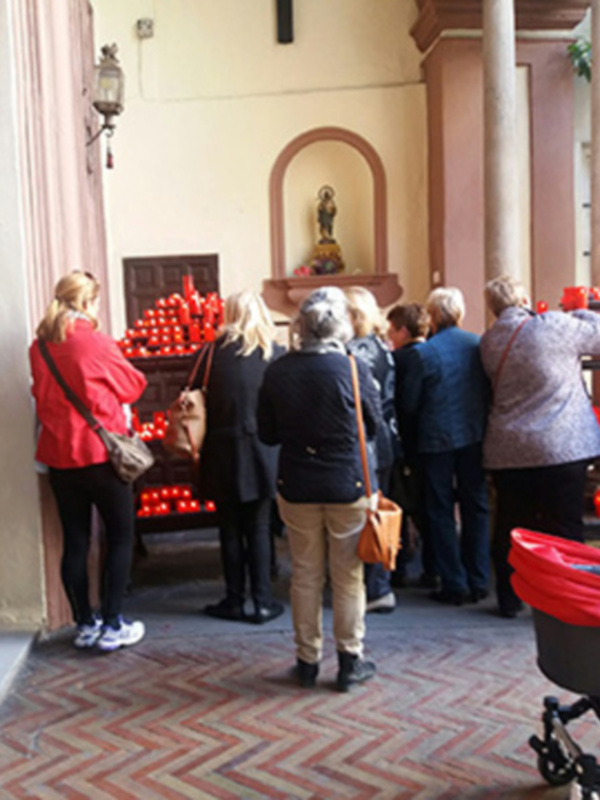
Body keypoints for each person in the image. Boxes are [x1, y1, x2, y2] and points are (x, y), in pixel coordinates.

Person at [258, 287, 382, 692]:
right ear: (340, 325)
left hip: (297, 482)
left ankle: (307, 661)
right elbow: (373, 426)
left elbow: (267, 433)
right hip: (348, 482)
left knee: (305, 575)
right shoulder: (352, 368)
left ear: (301, 326)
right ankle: (349, 661)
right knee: (348, 577)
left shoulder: (278, 371)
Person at [30, 271, 147, 651]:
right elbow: (133, 386)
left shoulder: (39, 347)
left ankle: (84, 624)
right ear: (86, 302)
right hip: (101, 455)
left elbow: (41, 394)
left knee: (75, 540)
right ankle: (112, 624)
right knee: (120, 536)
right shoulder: (96, 342)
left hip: (60, 458)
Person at [481, 275, 600, 617]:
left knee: (511, 526)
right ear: (524, 299)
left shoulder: (490, 341)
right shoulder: (553, 326)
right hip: (560, 445)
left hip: (508, 450)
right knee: (564, 527)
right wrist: (581, 310)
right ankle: (567, 599)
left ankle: (509, 597)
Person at [195, 290, 284, 624]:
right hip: (263, 450)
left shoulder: (209, 354)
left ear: (228, 314)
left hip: (221, 448)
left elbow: (191, 395)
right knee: (259, 526)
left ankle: (234, 599)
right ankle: (263, 601)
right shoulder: (274, 353)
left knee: (229, 527)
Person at [402, 287, 490, 606]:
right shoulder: (477, 345)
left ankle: (453, 582)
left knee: (439, 510)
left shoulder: (424, 353)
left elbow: (409, 404)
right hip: (474, 435)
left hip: (435, 439)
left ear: (433, 316)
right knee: (475, 506)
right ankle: (479, 578)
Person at [345, 286, 398, 614]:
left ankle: (374, 587)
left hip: (365, 446)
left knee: (363, 518)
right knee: (379, 514)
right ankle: (381, 582)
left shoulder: (353, 352)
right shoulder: (383, 347)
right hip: (386, 441)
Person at [387, 303, 437, 589]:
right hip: (430, 441)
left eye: (392, 331)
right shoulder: (434, 353)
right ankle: (433, 567)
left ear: (403, 331)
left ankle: (399, 566)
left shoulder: (400, 360)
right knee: (428, 508)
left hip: (405, 441)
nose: (389, 337)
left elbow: (403, 404)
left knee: (401, 504)